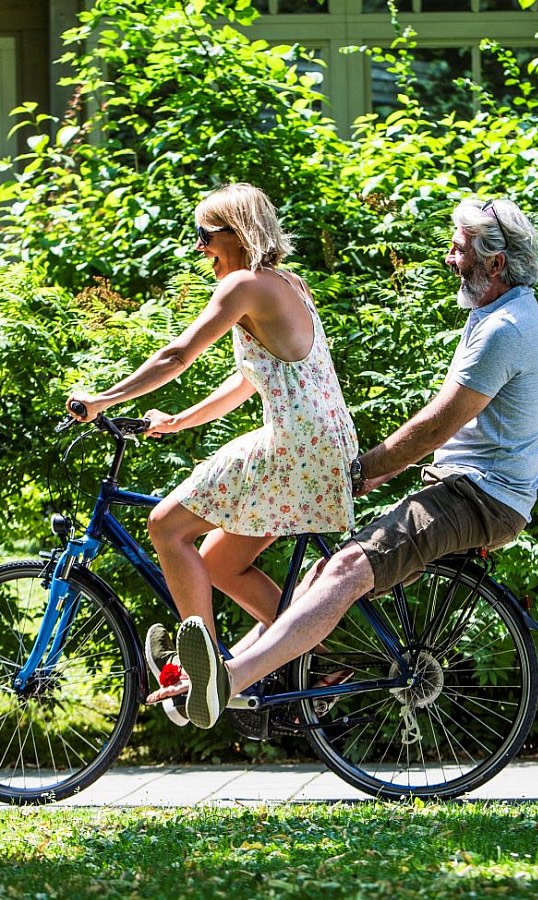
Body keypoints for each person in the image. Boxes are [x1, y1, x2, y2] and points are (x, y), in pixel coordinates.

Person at [158, 197, 538, 730]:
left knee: (344, 570)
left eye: (458, 250)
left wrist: (367, 466)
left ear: (495, 263)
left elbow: (441, 422)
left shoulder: (505, 328)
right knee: (321, 575)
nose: (448, 259)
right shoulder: (498, 314)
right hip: (465, 487)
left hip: (483, 497)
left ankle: (227, 681)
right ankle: (232, 674)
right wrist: (387, 468)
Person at [67, 183, 358, 723]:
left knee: (165, 526)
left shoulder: (244, 286)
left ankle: (200, 674)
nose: (200, 248)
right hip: (323, 445)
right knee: (220, 566)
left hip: (293, 444)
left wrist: (101, 398)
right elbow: (250, 379)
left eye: (206, 235)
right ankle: (319, 665)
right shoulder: (287, 284)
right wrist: (180, 420)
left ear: (238, 233)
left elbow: (177, 354)